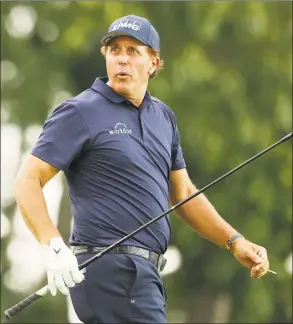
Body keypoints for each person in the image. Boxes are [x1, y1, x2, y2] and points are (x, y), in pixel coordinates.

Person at [13, 14, 270, 323]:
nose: (122, 59)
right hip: (109, 270)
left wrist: (235, 241)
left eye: (133, 51)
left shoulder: (163, 118)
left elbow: (184, 194)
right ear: (105, 56)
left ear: (153, 62)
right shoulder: (80, 111)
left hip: (147, 274)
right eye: (115, 50)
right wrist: (52, 246)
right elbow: (28, 179)